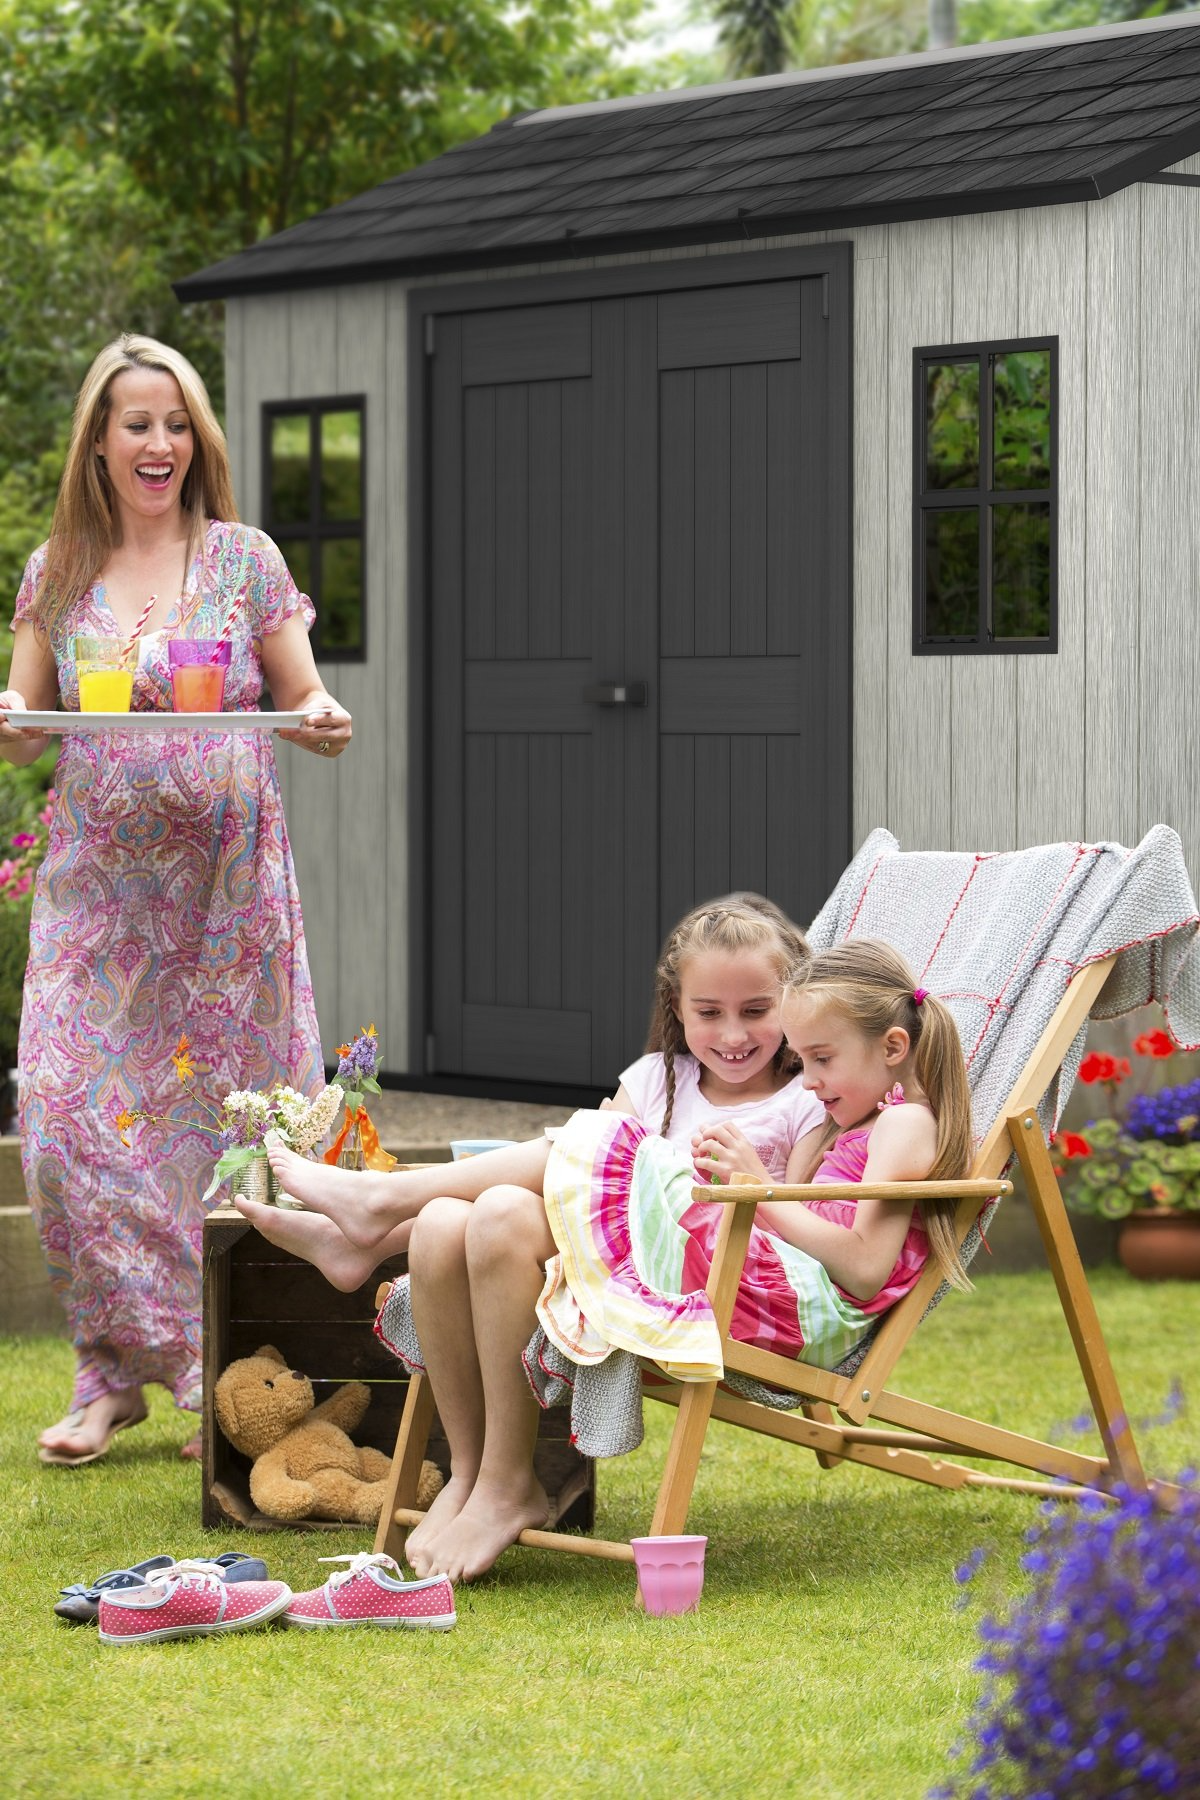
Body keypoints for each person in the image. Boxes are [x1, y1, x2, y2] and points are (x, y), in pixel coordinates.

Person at [0, 332, 351, 1467]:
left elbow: (304, 696)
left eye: (176, 423)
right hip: (99, 898)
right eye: (136, 423)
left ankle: (213, 1368)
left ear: (197, 439)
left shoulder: (245, 559)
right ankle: (119, 1368)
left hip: (225, 900)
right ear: (99, 444)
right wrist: (9, 722)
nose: (160, 442)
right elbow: (26, 718)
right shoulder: (58, 568)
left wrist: (322, 720)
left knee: (227, 1131)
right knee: (61, 1124)